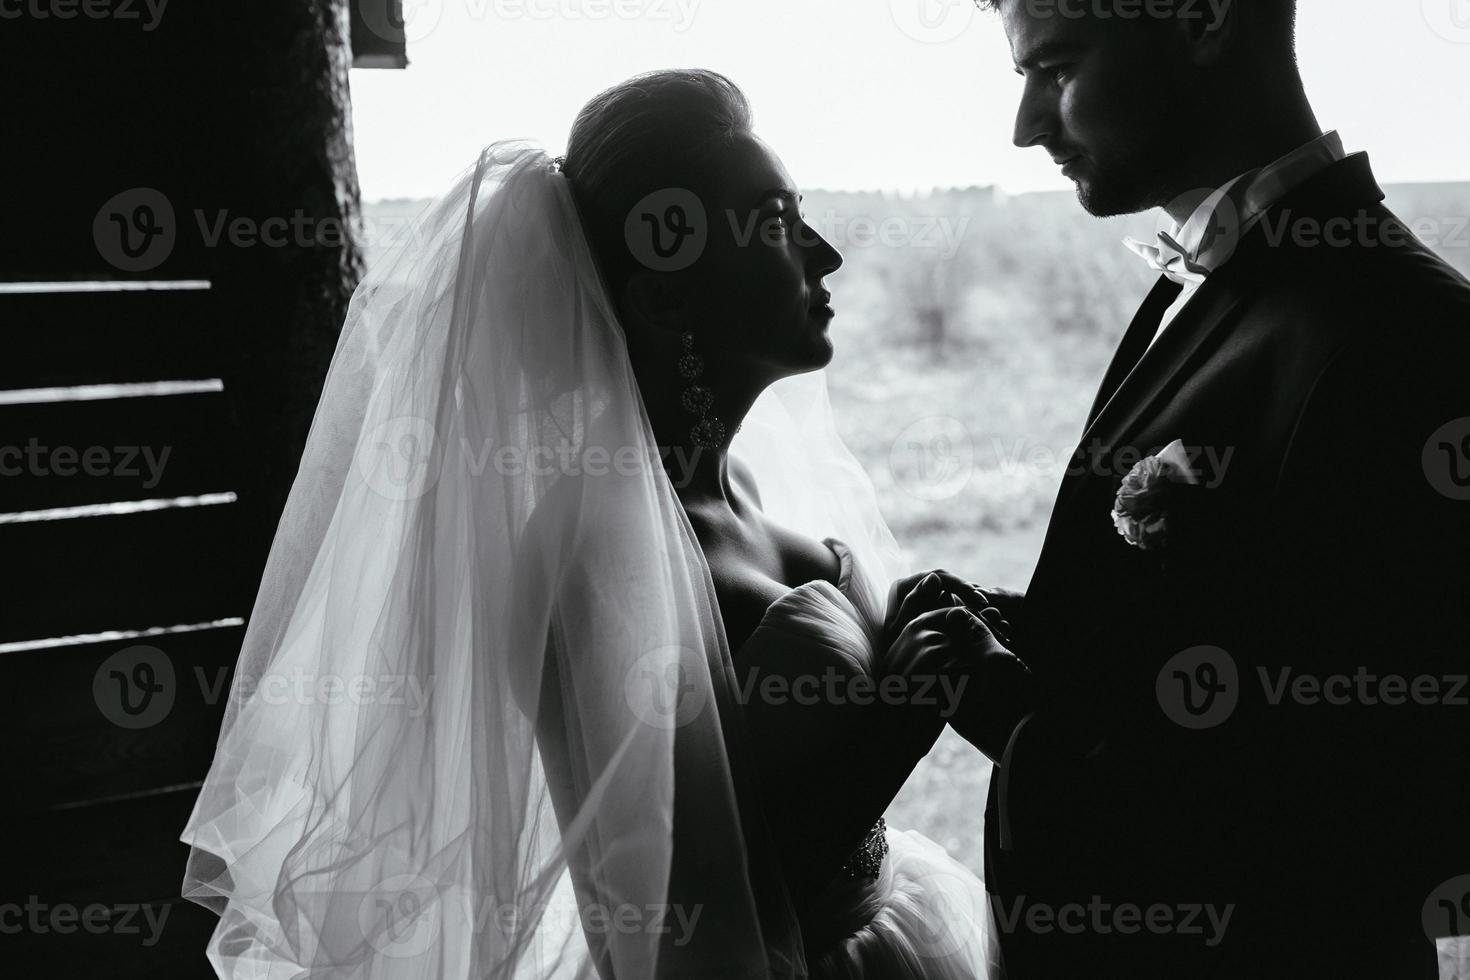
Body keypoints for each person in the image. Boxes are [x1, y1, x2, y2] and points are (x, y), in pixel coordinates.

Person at [181, 69, 1006, 979]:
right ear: (663, 299)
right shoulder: (593, 556)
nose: (823, 253)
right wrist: (894, 731)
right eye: (773, 222)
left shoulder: (749, 490)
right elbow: (670, 916)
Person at [893, 2, 1470, 977]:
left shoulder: (1403, 335)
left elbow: (1396, 797)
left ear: (1204, 19)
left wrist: (1019, 720)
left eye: (1058, 68)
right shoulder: (1207, 287)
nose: (1025, 126)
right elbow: (1240, 631)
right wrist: (1027, 632)